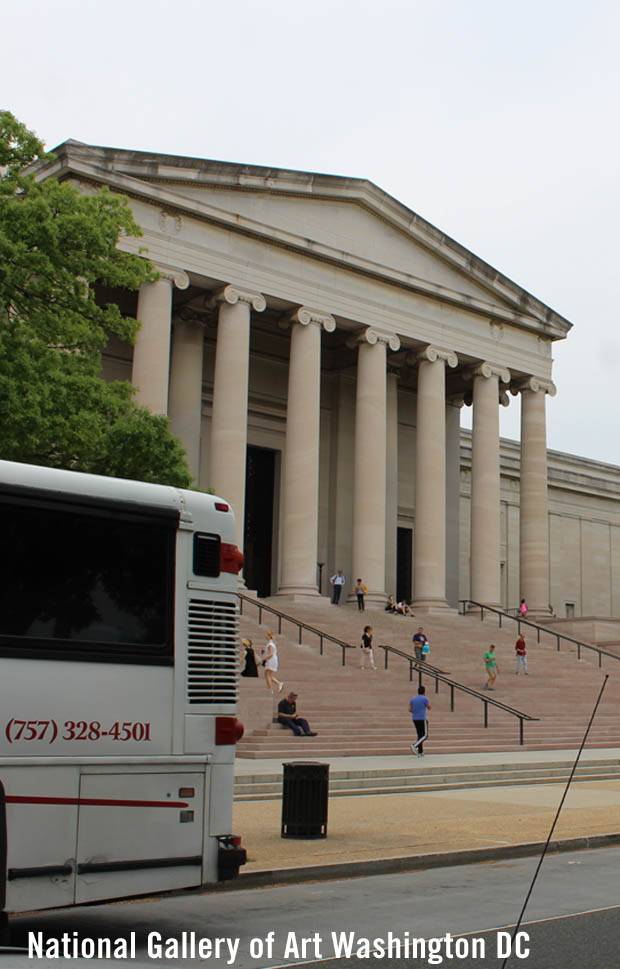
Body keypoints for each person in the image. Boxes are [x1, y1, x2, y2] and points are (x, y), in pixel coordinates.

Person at [409, 685, 431, 757]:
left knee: (420, 735)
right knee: (425, 735)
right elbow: (429, 707)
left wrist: (416, 711)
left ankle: (420, 752)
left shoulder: (413, 698)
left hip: (415, 719)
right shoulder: (424, 698)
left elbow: (409, 709)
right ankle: (414, 745)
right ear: (424, 692)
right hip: (422, 718)